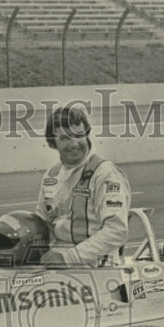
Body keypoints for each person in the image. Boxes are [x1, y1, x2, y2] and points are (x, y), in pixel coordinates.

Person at [35, 104, 131, 268]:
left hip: (97, 266)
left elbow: (116, 231)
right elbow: (41, 223)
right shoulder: (52, 175)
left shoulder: (105, 173)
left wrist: (69, 258)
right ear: (53, 143)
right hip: (58, 262)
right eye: (65, 138)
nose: (74, 144)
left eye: (78, 135)